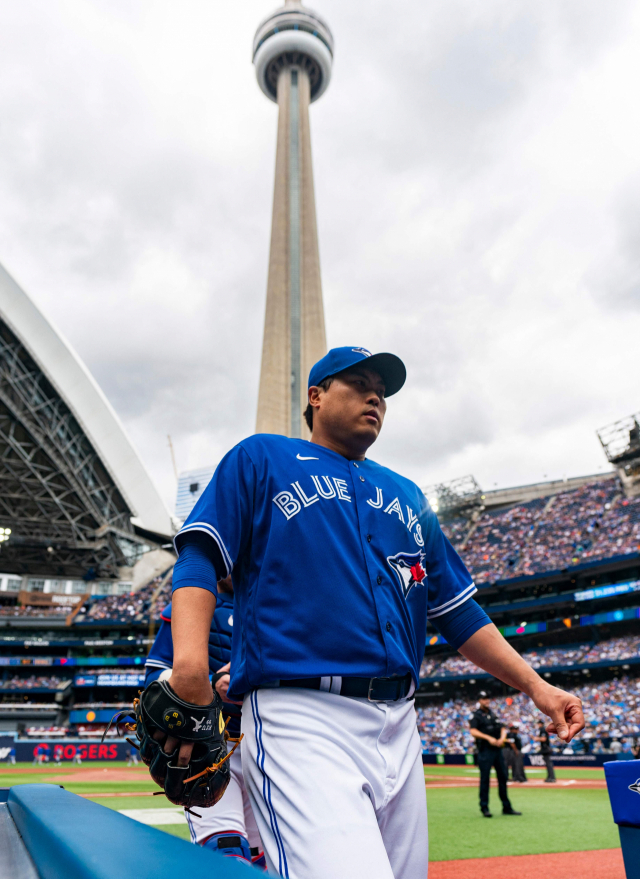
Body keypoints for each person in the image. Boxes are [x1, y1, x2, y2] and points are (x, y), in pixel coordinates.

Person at [157, 346, 585, 878]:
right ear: (315, 396)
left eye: (382, 390)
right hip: (302, 716)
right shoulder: (261, 458)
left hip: (401, 723)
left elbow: (460, 614)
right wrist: (191, 669)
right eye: (358, 383)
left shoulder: (406, 494)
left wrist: (539, 688)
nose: (375, 396)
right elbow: (200, 554)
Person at [145, 580, 265, 869]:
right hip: (208, 750)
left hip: (270, 746)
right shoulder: (188, 605)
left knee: (267, 857)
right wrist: (205, 688)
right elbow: (155, 678)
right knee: (227, 852)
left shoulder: (277, 604)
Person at [469, 693, 520, 816]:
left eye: (487, 698)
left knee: (503, 777)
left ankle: (506, 807)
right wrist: (488, 738)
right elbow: (473, 731)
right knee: (485, 779)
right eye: (484, 699)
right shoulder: (476, 715)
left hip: (497, 750)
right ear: (480, 700)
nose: (486, 701)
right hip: (485, 749)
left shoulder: (493, 714)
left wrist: (502, 738)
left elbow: (502, 728)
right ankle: (484, 807)